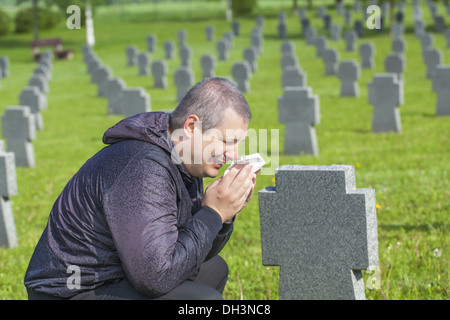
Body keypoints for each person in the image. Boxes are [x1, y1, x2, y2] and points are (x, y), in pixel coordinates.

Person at [24, 77, 257, 300]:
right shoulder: (143, 165)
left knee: (213, 269)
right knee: (202, 298)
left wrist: (223, 216)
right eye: (227, 141)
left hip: (117, 275)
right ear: (191, 126)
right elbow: (155, 278)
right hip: (70, 291)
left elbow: (191, 252)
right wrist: (212, 213)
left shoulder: (186, 159)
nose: (233, 155)